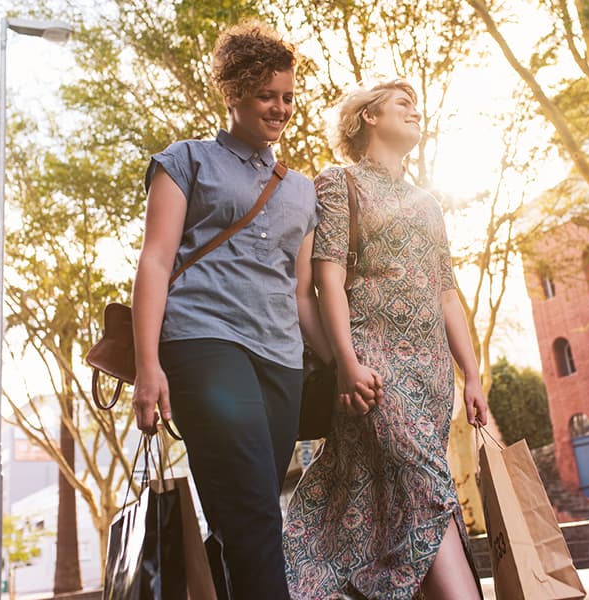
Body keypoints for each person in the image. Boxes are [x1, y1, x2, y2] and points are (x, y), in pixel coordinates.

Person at [129, 21, 378, 599]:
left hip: (281, 360)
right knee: (255, 511)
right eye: (268, 95)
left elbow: (301, 294)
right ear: (234, 92)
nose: (281, 108)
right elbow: (155, 262)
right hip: (203, 341)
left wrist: (342, 361)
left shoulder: (300, 191)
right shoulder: (184, 161)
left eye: (289, 96)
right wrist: (148, 367)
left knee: (248, 508)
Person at [283, 80, 489, 599]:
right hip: (375, 368)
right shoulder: (338, 183)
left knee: (402, 498)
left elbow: (447, 293)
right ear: (368, 117)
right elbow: (324, 279)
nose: (415, 112)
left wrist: (472, 376)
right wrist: (345, 365)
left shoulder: (429, 203)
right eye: (402, 104)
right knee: (427, 489)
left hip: (433, 376)